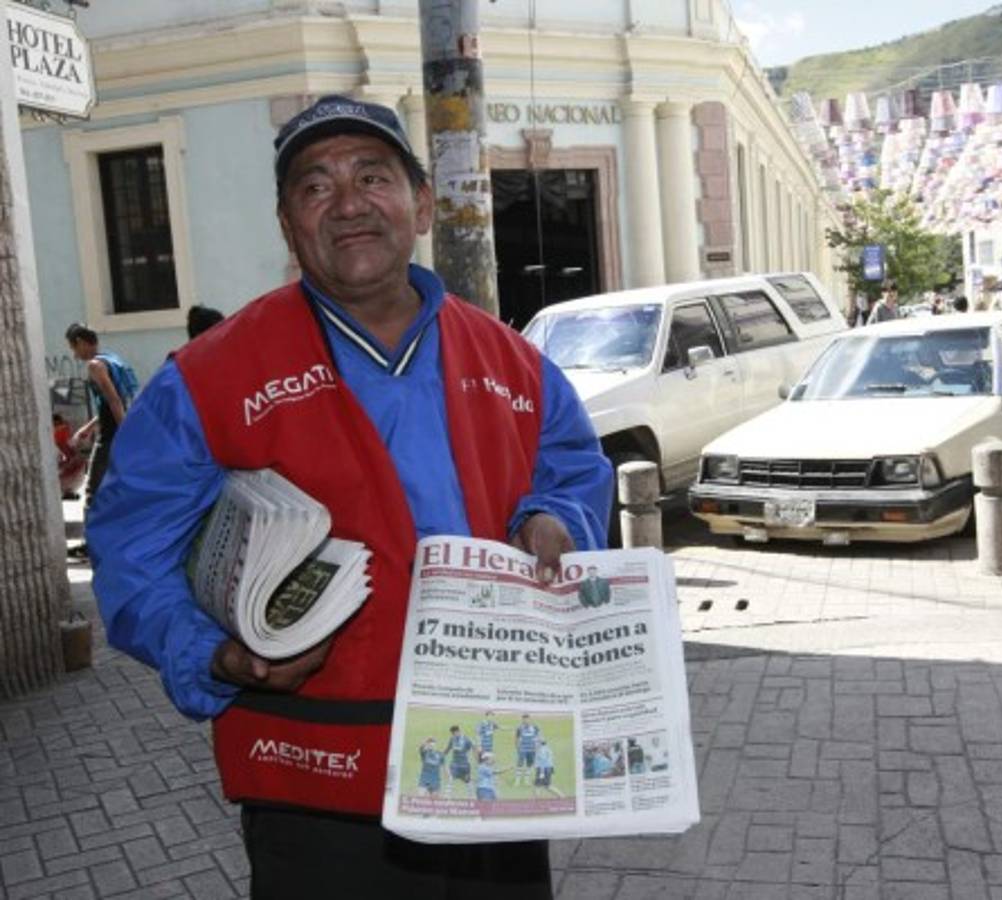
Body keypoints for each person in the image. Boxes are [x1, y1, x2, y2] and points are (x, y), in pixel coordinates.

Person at [86, 94, 612, 899]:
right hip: (316, 774)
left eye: (373, 176)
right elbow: (131, 551)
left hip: (497, 748)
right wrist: (217, 656)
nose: (348, 203)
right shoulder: (208, 378)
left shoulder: (514, 361)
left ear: (423, 202)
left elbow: (572, 468)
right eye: (315, 187)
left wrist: (551, 519)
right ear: (287, 224)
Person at [64, 323, 138, 555]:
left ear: (81, 343)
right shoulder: (111, 359)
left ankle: (92, 545)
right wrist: (87, 427)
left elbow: (114, 400)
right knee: (116, 488)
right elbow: (111, 403)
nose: (75, 355)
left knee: (93, 492)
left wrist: (124, 434)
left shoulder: (95, 365)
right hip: (115, 430)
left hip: (110, 437)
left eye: (74, 349)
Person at [444, 725, 474, 798]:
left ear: (458, 731)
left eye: (455, 733)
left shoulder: (466, 739)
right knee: (450, 778)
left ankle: (471, 797)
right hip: (455, 764)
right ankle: (447, 796)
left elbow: (472, 747)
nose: (454, 735)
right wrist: (441, 755)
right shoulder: (452, 739)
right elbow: (448, 749)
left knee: (468, 780)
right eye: (453, 734)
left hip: (464, 765)